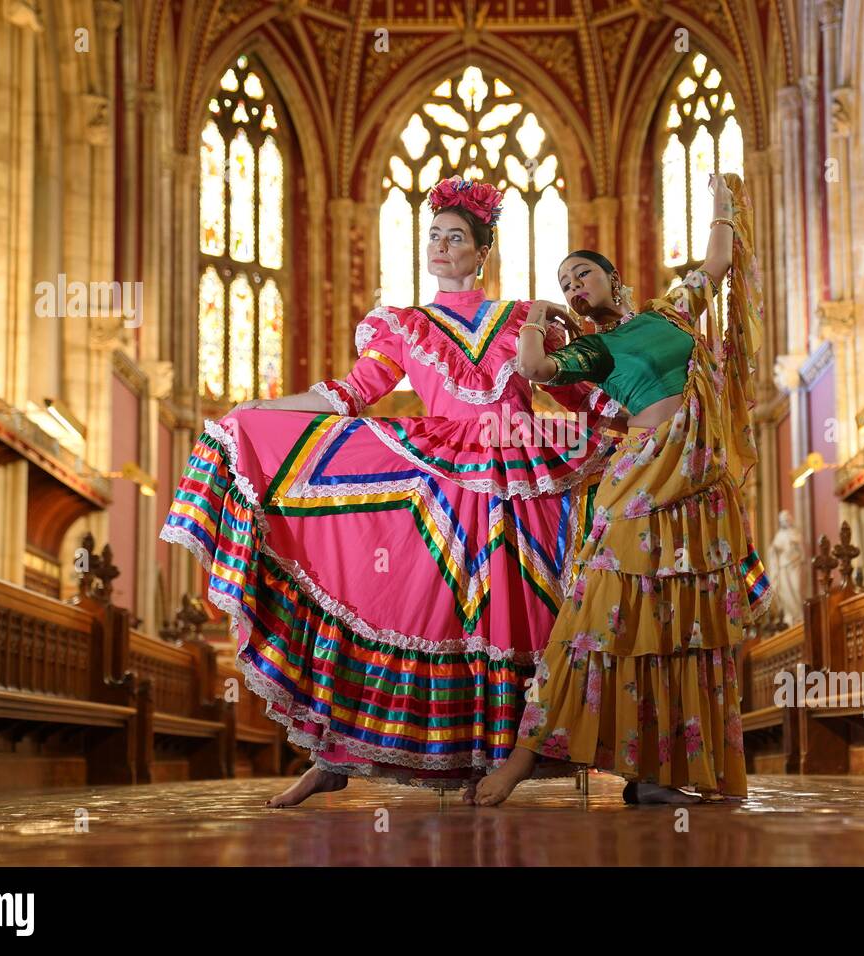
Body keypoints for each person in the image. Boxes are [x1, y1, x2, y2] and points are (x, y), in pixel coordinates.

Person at [160, 176, 618, 806]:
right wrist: (260, 408)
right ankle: (337, 750)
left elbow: (578, 394)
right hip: (435, 480)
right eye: (432, 235)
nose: (439, 245)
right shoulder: (404, 326)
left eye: (455, 237)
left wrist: (644, 411)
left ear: (480, 251)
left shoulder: (522, 319)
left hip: (518, 475)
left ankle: (507, 755)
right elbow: (346, 397)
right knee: (408, 608)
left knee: (516, 614)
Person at [476, 173, 772, 806]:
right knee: (593, 618)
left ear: (614, 279)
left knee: (680, 629)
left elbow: (717, 263)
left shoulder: (670, 311)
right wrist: (533, 314)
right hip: (640, 485)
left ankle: (659, 774)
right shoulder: (598, 350)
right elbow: (533, 367)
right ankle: (520, 763)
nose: (574, 287)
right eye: (564, 285)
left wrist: (721, 204)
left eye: (582, 274)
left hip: (699, 496)